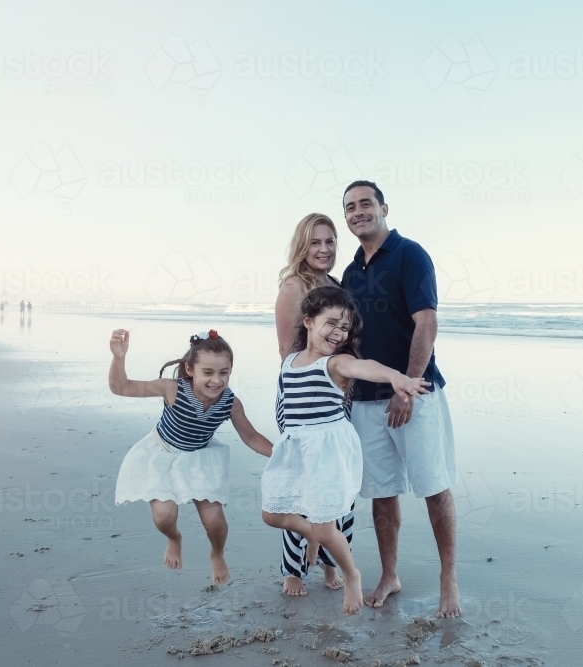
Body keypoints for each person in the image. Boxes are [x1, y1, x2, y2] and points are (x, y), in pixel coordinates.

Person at [260, 286, 430, 615]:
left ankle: (351, 574)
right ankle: (314, 537)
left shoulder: (337, 363)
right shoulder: (290, 362)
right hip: (295, 450)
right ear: (308, 321)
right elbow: (284, 404)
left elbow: (363, 367)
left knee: (326, 526)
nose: (339, 332)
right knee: (272, 514)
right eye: (332, 323)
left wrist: (396, 376)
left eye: (345, 327)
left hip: (327, 452)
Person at [340, 180, 460, 618]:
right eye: (350, 207)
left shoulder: (411, 254)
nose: (358, 212)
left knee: (433, 486)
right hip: (366, 401)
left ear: (384, 207)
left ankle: (449, 577)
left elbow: (426, 322)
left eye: (365, 203)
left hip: (417, 392)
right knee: (382, 492)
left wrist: (407, 385)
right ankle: (390, 574)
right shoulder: (351, 271)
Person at [110, 328, 273, 584]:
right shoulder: (172, 389)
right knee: (164, 516)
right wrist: (119, 358)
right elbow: (121, 387)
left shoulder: (230, 403)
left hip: (199, 458)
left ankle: (217, 552)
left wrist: (279, 455)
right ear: (190, 370)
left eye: (224, 373)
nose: (216, 381)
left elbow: (251, 436)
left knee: (215, 520)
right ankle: (174, 538)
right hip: (162, 454)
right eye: (207, 372)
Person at [274, 213, 354, 596]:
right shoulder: (293, 287)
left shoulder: (336, 285)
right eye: (316, 242)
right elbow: (287, 352)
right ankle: (293, 570)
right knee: (300, 487)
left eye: (330, 241)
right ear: (302, 246)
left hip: (334, 394)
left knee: (336, 485)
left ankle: (328, 564)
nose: (324, 249)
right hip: (300, 396)